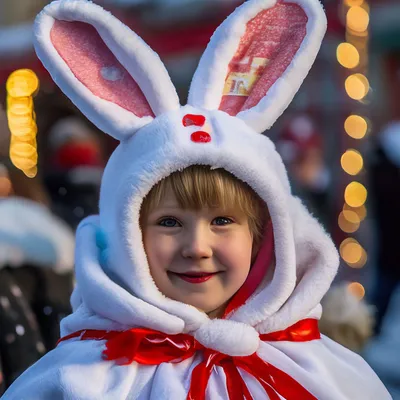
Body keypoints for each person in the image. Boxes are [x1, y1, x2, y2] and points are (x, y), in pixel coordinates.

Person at [2, 0, 390, 398]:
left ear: (263, 236)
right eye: (169, 222)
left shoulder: (324, 374)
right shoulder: (80, 378)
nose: (197, 247)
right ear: (128, 237)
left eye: (222, 221)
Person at [369, 121, 400, 335]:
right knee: (382, 295)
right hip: (390, 251)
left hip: (388, 252)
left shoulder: (381, 169)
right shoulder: (384, 174)